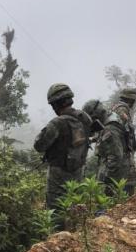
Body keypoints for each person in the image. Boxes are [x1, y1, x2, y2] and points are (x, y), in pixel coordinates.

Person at [34, 83, 92, 212]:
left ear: (55, 104)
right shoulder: (85, 118)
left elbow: (39, 145)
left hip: (58, 173)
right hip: (78, 170)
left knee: (55, 208)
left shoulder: (57, 123)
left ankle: (58, 231)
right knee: (74, 204)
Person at [83, 99, 129, 195]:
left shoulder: (110, 128)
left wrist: (107, 181)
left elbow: (115, 157)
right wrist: (93, 139)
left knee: (107, 207)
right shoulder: (110, 119)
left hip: (114, 178)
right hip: (116, 173)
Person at [111, 89, 136, 194]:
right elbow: (124, 131)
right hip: (122, 153)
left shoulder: (117, 107)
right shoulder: (121, 109)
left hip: (121, 151)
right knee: (128, 184)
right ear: (130, 99)